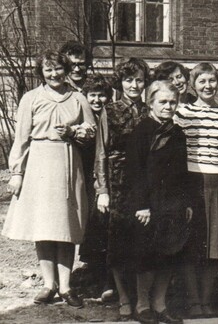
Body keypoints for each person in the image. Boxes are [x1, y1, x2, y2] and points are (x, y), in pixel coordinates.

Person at [3, 51, 106, 309]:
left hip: (68, 163)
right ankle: (49, 285)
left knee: (66, 227)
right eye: (48, 70)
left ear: (66, 69)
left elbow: (91, 131)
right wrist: (17, 172)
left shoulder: (78, 98)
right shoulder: (31, 98)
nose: (54, 74)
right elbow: (21, 138)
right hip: (39, 162)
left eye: (58, 69)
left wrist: (73, 130)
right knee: (44, 227)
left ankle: (67, 286)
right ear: (42, 73)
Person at [126, 80, 194, 324]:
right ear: (150, 103)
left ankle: (160, 303)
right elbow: (135, 171)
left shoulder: (177, 133)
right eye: (162, 102)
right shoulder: (141, 132)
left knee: (169, 253)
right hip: (150, 204)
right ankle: (142, 305)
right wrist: (141, 205)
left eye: (172, 102)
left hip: (173, 203)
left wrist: (186, 202)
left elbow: (182, 171)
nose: (168, 106)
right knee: (147, 255)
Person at [174, 63, 218, 318]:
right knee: (191, 246)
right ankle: (193, 301)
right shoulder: (182, 112)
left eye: (212, 81)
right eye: (202, 82)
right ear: (193, 85)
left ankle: (207, 301)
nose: (208, 86)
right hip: (190, 181)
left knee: (214, 246)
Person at [104, 57, 151, 320]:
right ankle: (123, 297)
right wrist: (102, 189)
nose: (134, 85)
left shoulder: (149, 110)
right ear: (120, 82)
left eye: (139, 80)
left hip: (144, 181)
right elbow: (102, 151)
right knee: (119, 240)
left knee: (144, 239)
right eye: (129, 79)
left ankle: (143, 299)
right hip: (118, 180)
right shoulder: (109, 111)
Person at [78, 74, 115, 301]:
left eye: (102, 95)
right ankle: (93, 275)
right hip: (88, 177)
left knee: (106, 225)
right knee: (92, 224)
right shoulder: (83, 115)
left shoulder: (110, 115)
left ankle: (107, 280)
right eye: (93, 95)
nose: (98, 99)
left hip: (106, 177)